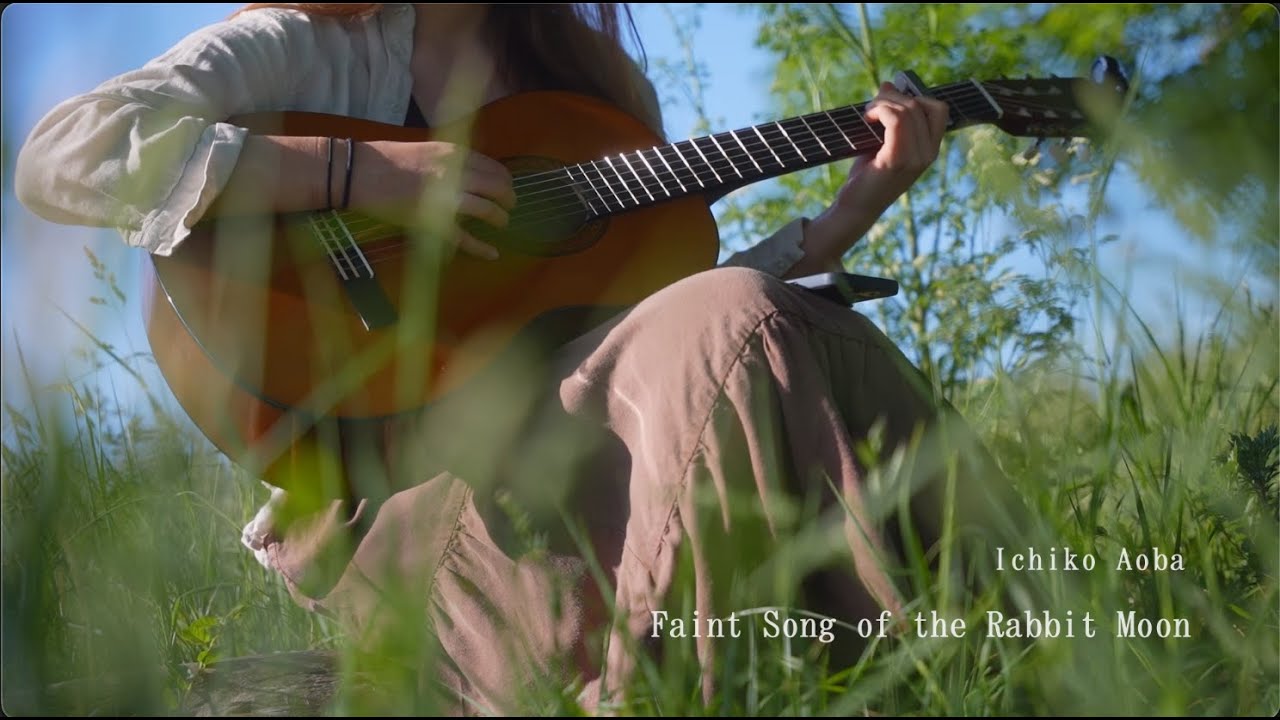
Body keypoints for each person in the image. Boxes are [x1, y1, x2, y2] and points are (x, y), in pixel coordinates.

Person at [15, 3, 993, 713]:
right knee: (741, 312)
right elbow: (63, 154)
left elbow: (674, 338)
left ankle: (988, 668)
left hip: (588, 450)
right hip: (415, 496)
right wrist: (363, 172)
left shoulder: (596, 96)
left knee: (794, 325)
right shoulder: (301, 41)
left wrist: (848, 215)